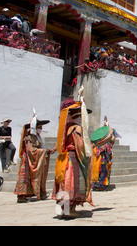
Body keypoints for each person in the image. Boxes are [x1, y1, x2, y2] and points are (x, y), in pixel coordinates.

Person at [52, 87, 94, 216]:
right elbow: (80, 146)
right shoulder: (76, 128)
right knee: (71, 183)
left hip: (65, 158)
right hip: (73, 159)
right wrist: (90, 148)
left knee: (64, 183)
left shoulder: (67, 128)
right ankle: (70, 210)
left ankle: (64, 210)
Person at [14, 112, 56, 203]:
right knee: (26, 177)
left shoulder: (37, 137)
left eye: (41, 127)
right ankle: (22, 195)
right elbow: (30, 150)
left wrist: (48, 151)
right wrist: (45, 151)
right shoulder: (29, 137)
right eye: (40, 127)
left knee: (38, 176)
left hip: (35, 159)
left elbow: (39, 148)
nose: (41, 128)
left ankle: (39, 192)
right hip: (28, 160)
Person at [91, 117, 118, 191]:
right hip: (100, 156)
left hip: (105, 156)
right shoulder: (101, 142)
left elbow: (112, 139)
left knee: (104, 170)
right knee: (100, 169)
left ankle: (102, 185)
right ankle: (97, 184)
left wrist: (110, 132)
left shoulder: (109, 139)